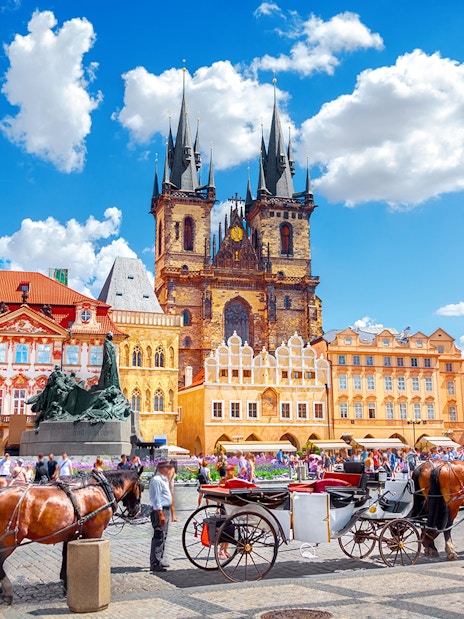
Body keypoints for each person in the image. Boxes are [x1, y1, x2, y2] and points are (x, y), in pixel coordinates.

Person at [149, 460, 174, 573]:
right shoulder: (156, 480)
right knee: (159, 535)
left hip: (165, 509)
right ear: (161, 469)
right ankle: (155, 563)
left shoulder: (163, 480)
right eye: (167, 468)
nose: (169, 470)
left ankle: (160, 558)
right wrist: (160, 514)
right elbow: (156, 499)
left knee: (164, 535)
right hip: (160, 510)